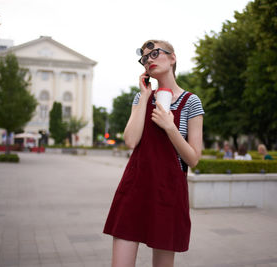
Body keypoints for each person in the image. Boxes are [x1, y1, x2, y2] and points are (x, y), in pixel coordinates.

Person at [103, 40, 204, 267]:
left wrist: (170, 127)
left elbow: (193, 158)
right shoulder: (141, 97)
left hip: (168, 192)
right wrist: (147, 96)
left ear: (172, 57)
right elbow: (130, 141)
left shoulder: (191, 102)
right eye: (145, 58)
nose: (149, 60)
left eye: (155, 53)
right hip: (135, 188)